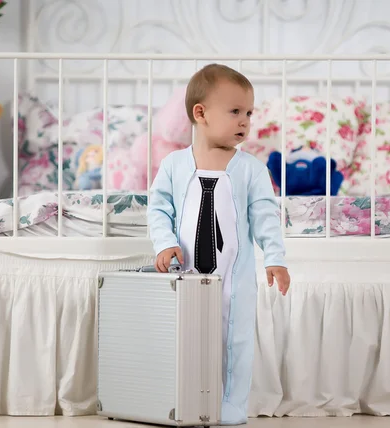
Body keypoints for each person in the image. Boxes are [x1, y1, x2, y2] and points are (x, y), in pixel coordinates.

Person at [147, 63, 290, 425]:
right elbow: (159, 209)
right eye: (235, 111)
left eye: (249, 113)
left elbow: (265, 217)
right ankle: (179, 398)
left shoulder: (251, 169)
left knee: (235, 342)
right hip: (187, 272)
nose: (245, 121)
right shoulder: (174, 165)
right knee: (183, 336)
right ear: (201, 114)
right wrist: (164, 243)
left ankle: (230, 406)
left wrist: (275, 258)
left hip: (233, 278)